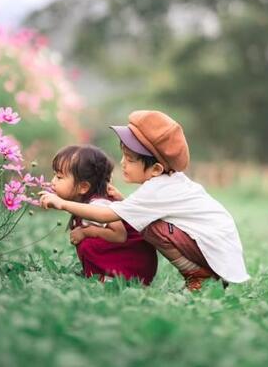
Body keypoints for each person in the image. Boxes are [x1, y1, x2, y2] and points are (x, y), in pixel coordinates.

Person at [40, 111, 250, 291]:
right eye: (123, 156)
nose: (122, 163)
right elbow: (137, 211)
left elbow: (108, 215)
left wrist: (62, 203)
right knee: (142, 221)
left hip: (212, 248)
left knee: (151, 227)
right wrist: (123, 202)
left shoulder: (158, 188)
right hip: (214, 244)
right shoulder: (164, 182)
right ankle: (200, 273)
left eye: (130, 159)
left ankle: (199, 275)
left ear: (156, 169)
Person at [49, 144, 157, 285]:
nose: (52, 182)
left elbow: (120, 235)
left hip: (134, 265)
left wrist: (86, 231)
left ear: (83, 187)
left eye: (59, 177)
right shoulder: (87, 202)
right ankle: (100, 274)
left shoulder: (98, 204)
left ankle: (110, 278)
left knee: (88, 243)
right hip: (131, 260)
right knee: (87, 242)